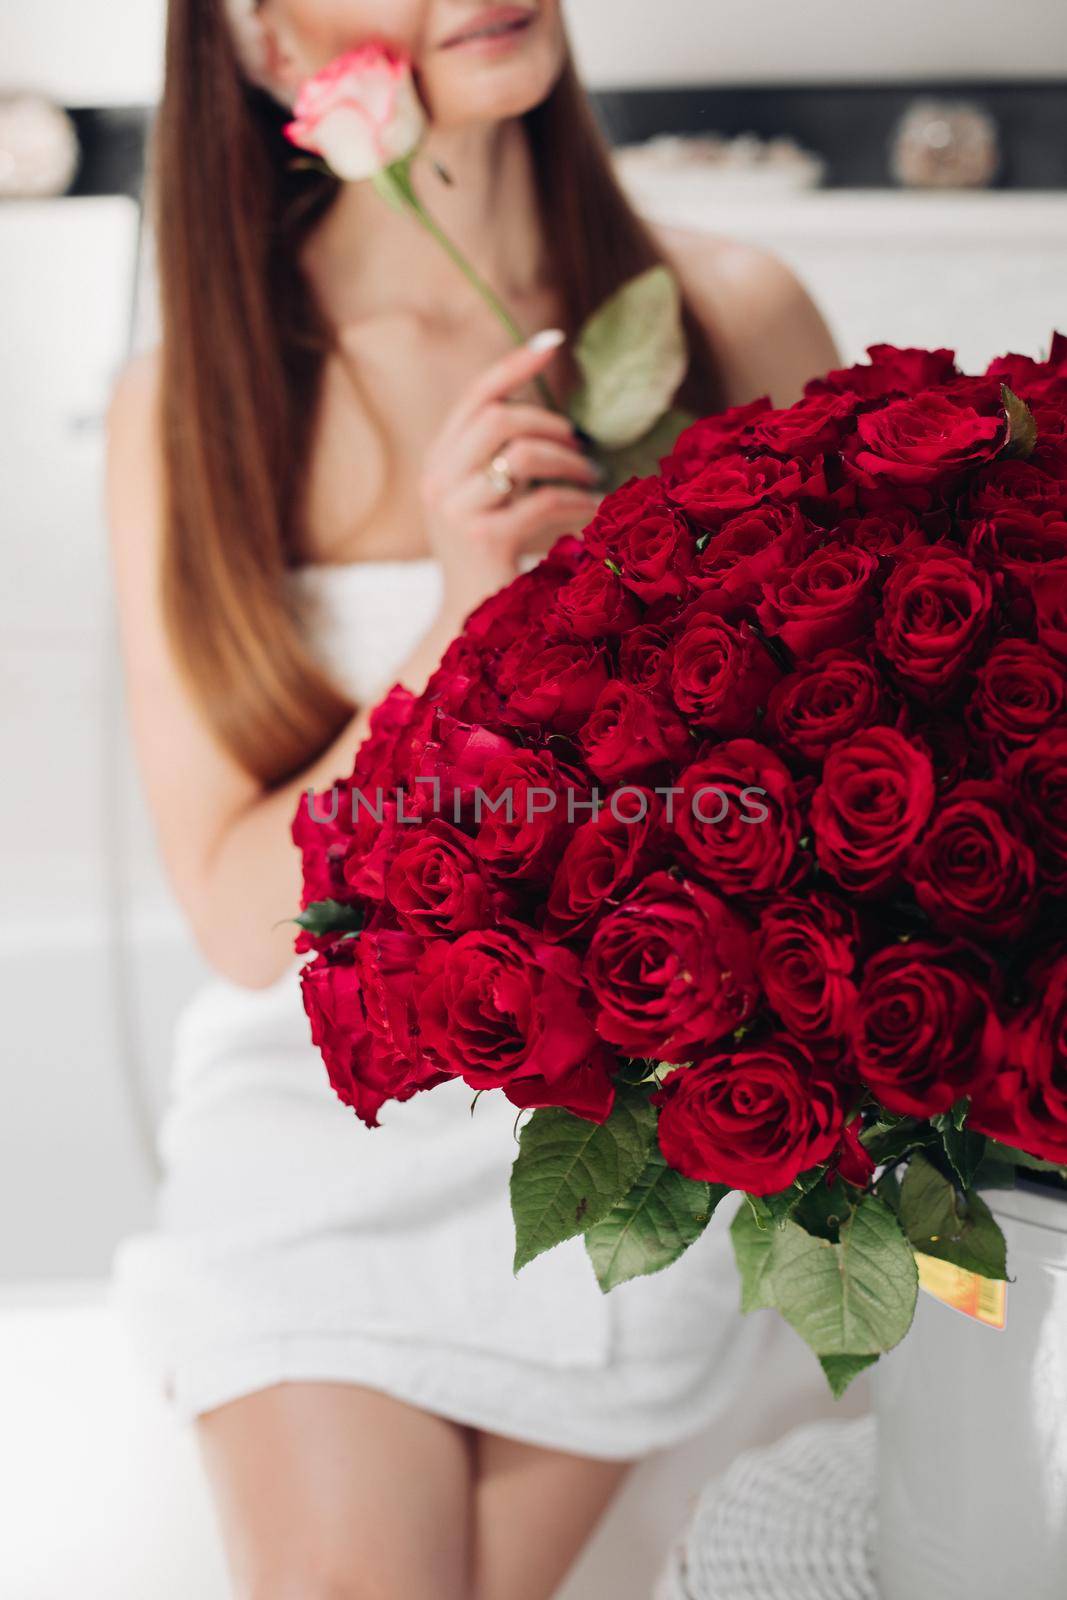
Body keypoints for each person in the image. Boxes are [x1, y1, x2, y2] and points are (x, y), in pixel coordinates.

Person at [106, 4, 840, 1597]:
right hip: (324, 1116)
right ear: (262, 41)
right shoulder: (205, 406)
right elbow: (242, 917)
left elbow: (843, 801)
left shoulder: (732, 320)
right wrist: (457, 617)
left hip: (631, 1108)